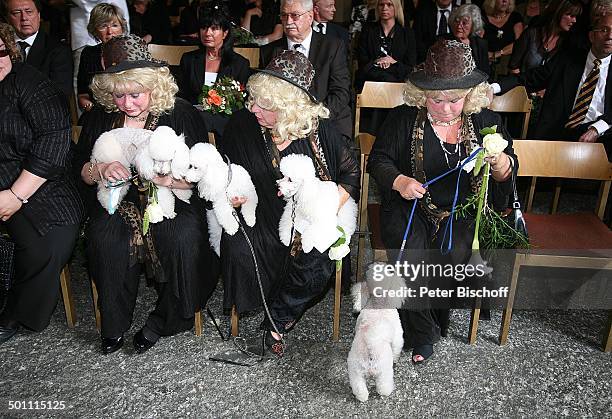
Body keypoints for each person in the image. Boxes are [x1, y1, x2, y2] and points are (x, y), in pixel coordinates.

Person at [367, 39, 517, 364]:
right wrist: (399, 180)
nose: (446, 108)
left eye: (455, 100)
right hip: (412, 207)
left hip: (463, 211)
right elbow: (378, 161)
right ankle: (422, 333)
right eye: (437, 101)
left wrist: (503, 166)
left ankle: (437, 315)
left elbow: (509, 166)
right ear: (422, 95)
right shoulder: (403, 119)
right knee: (413, 252)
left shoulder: (484, 121)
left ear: (470, 96)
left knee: (460, 250)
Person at [73, 35, 218, 355]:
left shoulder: (180, 113)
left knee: (181, 237)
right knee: (105, 236)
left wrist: (170, 179)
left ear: (154, 86)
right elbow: (80, 169)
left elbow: (198, 178)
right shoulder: (100, 115)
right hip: (118, 198)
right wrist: (100, 168)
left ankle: (165, 319)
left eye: (135, 94)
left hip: (173, 199)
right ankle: (113, 322)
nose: (127, 104)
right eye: (119, 95)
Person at [217, 50, 360, 357]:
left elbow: (350, 172)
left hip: (305, 216)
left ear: (288, 108)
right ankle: (269, 308)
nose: (253, 107)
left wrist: (328, 206)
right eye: (253, 99)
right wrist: (232, 191)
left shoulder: (317, 131)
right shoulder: (243, 125)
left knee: (316, 257)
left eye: (264, 105)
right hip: (260, 210)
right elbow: (227, 170)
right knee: (237, 245)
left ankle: (276, 321)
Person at [0, 23, 83, 345]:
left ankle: (16, 313)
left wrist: (15, 195)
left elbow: (53, 141)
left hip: (42, 184)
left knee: (46, 246)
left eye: (2, 51)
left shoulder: (30, 84)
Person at [493, 12, 612, 157]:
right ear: (592, 35)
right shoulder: (568, 60)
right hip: (557, 134)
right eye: (604, 30)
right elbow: (531, 78)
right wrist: (492, 88)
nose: (610, 36)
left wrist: (596, 129)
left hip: (598, 139)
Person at [261, 0, 352, 141]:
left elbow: (341, 92)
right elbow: (266, 95)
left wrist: (311, 118)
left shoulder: (333, 46)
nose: (288, 21)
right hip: (283, 126)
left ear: (310, 17)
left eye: (295, 15)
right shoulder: (269, 52)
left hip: (326, 121)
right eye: (284, 15)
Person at [179, 1, 250, 104]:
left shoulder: (240, 64)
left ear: (225, 34)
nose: (207, 33)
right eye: (204, 28)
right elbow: (182, 97)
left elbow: (241, 102)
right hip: (192, 116)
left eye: (214, 28)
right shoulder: (188, 60)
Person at [2, 0, 73, 97]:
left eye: (29, 12)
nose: (24, 18)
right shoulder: (3, 47)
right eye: (17, 13)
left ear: (39, 16)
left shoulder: (58, 51)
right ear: (7, 18)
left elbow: (60, 95)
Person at [77, 3, 127, 113]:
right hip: (96, 112)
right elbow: (82, 94)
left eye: (115, 25)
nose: (110, 32)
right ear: (95, 30)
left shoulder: (132, 52)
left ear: (122, 28)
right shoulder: (88, 53)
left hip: (126, 111)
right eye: (103, 26)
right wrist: (89, 106)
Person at [509, 0, 582, 75]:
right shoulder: (531, 34)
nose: (574, 20)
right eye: (571, 16)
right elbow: (514, 67)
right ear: (558, 12)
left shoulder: (566, 43)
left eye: (575, 16)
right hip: (522, 84)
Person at [356, 0, 416, 90]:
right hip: (371, 82)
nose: (384, 8)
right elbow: (362, 62)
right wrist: (377, 61)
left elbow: (410, 67)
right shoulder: (368, 31)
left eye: (389, 5)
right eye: (381, 5)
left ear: (396, 7)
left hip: (399, 83)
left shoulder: (407, 33)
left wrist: (393, 62)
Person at [446, 4, 491, 78]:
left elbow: (485, 72)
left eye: (464, 23)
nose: (459, 26)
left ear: (473, 25)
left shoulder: (481, 44)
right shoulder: (442, 41)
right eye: (456, 21)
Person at [482, 0, 524, 76]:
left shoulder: (515, 17)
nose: (504, 1)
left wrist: (499, 53)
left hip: (507, 63)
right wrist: (485, 55)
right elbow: (477, 41)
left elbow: (519, 43)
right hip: (485, 60)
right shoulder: (482, 17)